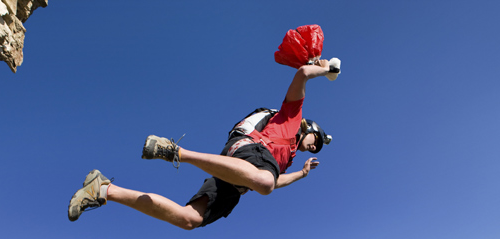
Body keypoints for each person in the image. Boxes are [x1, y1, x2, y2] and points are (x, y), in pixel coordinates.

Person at [67, 58, 339, 229]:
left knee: (190, 219)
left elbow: (271, 182)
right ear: (310, 128)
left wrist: (301, 174)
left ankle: (104, 189)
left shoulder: (285, 160)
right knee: (264, 181)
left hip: (240, 177)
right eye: (317, 141)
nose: (315, 148)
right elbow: (302, 72)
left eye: (318, 149)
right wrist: (324, 68)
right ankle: (176, 152)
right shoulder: (292, 118)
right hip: (250, 150)